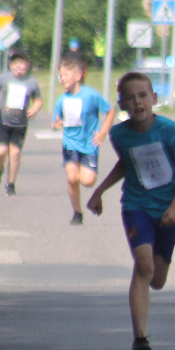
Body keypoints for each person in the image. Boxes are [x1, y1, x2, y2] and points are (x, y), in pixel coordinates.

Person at [87, 72, 175, 350]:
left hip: (167, 211)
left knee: (156, 279)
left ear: (154, 98)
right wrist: (100, 191)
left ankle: (141, 328)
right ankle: (140, 340)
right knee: (143, 266)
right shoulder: (119, 135)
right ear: (122, 104)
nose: (137, 102)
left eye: (143, 95)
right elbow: (127, 163)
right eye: (130, 98)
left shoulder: (170, 130)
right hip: (136, 207)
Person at [52, 53, 115, 225]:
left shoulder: (91, 95)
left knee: (88, 181)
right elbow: (55, 121)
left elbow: (110, 112)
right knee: (72, 178)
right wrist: (56, 124)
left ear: (78, 76)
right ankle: (77, 212)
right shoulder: (61, 100)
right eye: (60, 76)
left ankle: (84, 169)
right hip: (70, 144)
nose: (62, 79)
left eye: (66, 75)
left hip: (89, 145)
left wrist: (103, 132)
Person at [0, 50, 43, 196]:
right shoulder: (5, 78)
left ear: (28, 65)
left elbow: (38, 100)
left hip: (20, 125)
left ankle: (11, 183)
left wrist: (34, 109)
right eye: (15, 63)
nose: (18, 66)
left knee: (15, 153)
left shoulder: (31, 82)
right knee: (0, 152)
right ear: (11, 65)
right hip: (3, 122)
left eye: (21, 63)